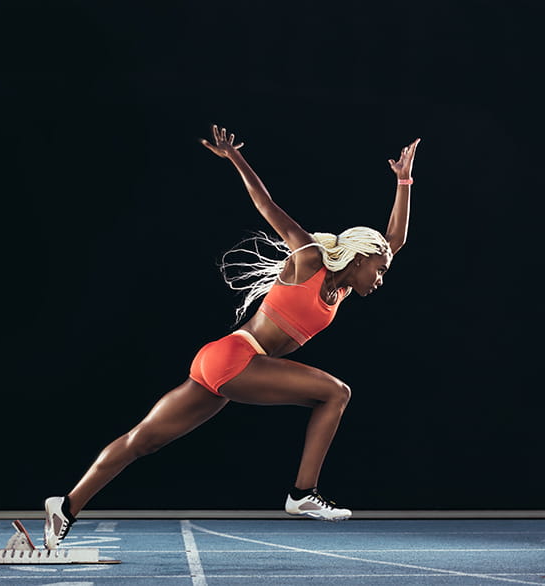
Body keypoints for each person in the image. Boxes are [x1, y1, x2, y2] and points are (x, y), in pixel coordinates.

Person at [42, 125, 421, 550]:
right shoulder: (310, 260)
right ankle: (301, 494)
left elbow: (395, 240)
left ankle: (66, 506)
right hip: (238, 358)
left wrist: (404, 181)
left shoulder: (345, 286)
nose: (383, 278)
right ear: (360, 257)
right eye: (381, 269)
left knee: (141, 441)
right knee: (336, 393)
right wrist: (236, 158)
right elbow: (267, 205)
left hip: (223, 362)